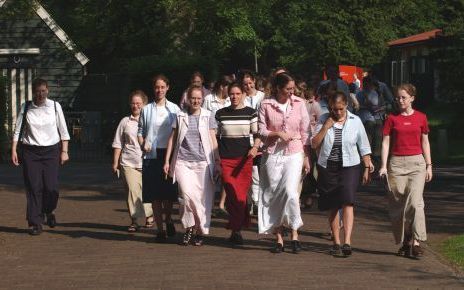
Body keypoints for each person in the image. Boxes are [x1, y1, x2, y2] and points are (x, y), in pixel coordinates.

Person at [312, 91, 373, 257]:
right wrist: (326, 127)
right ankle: (336, 242)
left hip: (350, 166)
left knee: (348, 201)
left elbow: (364, 145)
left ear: (346, 105)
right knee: (333, 204)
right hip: (328, 166)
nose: (337, 113)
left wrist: (367, 165)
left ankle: (347, 241)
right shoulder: (324, 119)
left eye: (340, 109)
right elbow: (314, 143)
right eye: (334, 109)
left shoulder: (355, 120)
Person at [258, 73, 310, 254]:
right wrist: (277, 134)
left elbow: (305, 132)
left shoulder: (299, 104)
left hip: (294, 151)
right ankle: (279, 237)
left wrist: (306, 156)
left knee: (290, 192)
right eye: (288, 88)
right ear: (278, 88)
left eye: (292, 88)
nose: (291, 91)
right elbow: (261, 130)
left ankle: (295, 233)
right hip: (272, 153)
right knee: (273, 193)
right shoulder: (265, 104)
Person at [379, 83, 432, 258]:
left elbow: (425, 141)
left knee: (416, 203)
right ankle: (406, 238)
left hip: (417, 163)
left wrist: (429, 165)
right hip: (396, 165)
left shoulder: (421, 117)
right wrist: (383, 166)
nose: (400, 100)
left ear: (412, 98)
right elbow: (386, 142)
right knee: (400, 206)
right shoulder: (392, 119)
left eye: (404, 97)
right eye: (398, 97)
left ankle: (416, 242)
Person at [11, 78, 70, 235]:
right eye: (38, 91)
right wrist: (14, 150)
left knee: (51, 187)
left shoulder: (55, 107)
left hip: (51, 151)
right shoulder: (27, 107)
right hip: (30, 152)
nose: (41, 94)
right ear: (33, 92)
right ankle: (35, 222)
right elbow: (17, 130)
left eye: (43, 91)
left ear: (47, 91)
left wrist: (64, 151)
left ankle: (48, 210)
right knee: (33, 187)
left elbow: (63, 131)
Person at [164, 86, 221, 246]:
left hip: (203, 163)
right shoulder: (180, 115)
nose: (196, 101)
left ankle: (197, 230)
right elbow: (172, 139)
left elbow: (213, 139)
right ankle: (190, 226)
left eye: (198, 98)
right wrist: (167, 161)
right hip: (182, 162)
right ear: (188, 99)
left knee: (202, 199)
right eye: (193, 98)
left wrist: (217, 161)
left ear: (202, 99)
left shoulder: (208, 116)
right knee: (187, 195)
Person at [215, 82, 261, 245]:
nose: (234, 97)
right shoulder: (221, 113)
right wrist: (216, 158)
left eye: (237, 94)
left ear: (243, 95)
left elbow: (257, 134)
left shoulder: (251, 113)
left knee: (240, 196)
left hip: (244, 159)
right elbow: (215, 137)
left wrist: (255, 148)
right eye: (231, 94)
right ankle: (239, 223)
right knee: (231, 191)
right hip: (226, 159)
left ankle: (236, 231)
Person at [138, 74, 180, 243]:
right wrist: (143, 143)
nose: (160, 90)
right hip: (152, 155)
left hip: (169, 155)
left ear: (168, 88)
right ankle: (160, 229)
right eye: (157, 87)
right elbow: (140, 130)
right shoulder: (146, 109)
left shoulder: (175, 109)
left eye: (163, 87)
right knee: (155, 194)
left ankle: (168, 218)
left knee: (168, 194)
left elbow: (179, 131)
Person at [112, 90, 154, 232]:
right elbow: (118, 143)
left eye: (139, 103)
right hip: (128, 162)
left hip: (147, 162)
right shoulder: (125, 121)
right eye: (133, 103)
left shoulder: (150, 121)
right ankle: (134, 220)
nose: (135, 106)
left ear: (144, 104)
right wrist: (115, 162)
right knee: (132, 190)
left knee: (146, 191)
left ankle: (149, 215)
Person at [202, 75, 232, 216]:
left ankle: (221, 204)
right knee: (213, 172)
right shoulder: (209, 99)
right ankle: (209, 202)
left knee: (226, 172)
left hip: (226, 138)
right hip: (211, 138)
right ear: (222, 86)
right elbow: (203, 117)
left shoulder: (229, 100)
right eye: (228, 87)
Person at [242, 70, 265, 214]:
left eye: (250, 83)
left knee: (257, 172)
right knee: (248, 173)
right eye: (245, 84)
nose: (248, 86)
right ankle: (251, 201)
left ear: (254, 82)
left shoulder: (262, 96)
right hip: (245, 139)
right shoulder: (241, 98)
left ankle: (256, 202)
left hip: (260, 139)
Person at [356, 76, 386, 164]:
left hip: (372, 117)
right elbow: (357, 106)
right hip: (363, 117)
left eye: (367, 83)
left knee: (376, 136)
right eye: (364, 83)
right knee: (366, 136)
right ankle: (366, 154)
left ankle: (375, 155)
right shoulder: (359, 93)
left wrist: (365, 104)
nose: (366, 85)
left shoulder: (373, 93)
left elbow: (374, 106)